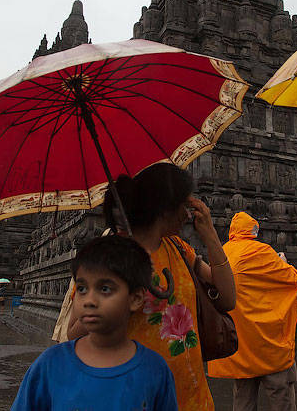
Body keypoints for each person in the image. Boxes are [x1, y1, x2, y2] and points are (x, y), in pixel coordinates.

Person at [66, 162, 236, 411]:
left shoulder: (178, 248)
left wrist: (209, 233)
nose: (188, 214)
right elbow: (72, 334)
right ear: (163, 208)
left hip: (192, 398)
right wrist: (118, 291)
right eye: (183, 204)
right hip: (136, 398)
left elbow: (228, 298)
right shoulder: (108, 259)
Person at [11, 235, 178, 411]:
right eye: (82, 289)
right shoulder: (50, 364)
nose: (89, 301)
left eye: (105, 289)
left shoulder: (155, 370)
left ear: (136, 298)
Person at [207, 211, 297, 411]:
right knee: (280, 397)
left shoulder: (224, 254)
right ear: (253, 230)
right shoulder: (262, 252)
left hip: (241, 345)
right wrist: (283, 263)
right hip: (270, 343)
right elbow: (292, 280)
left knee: (243, 400)